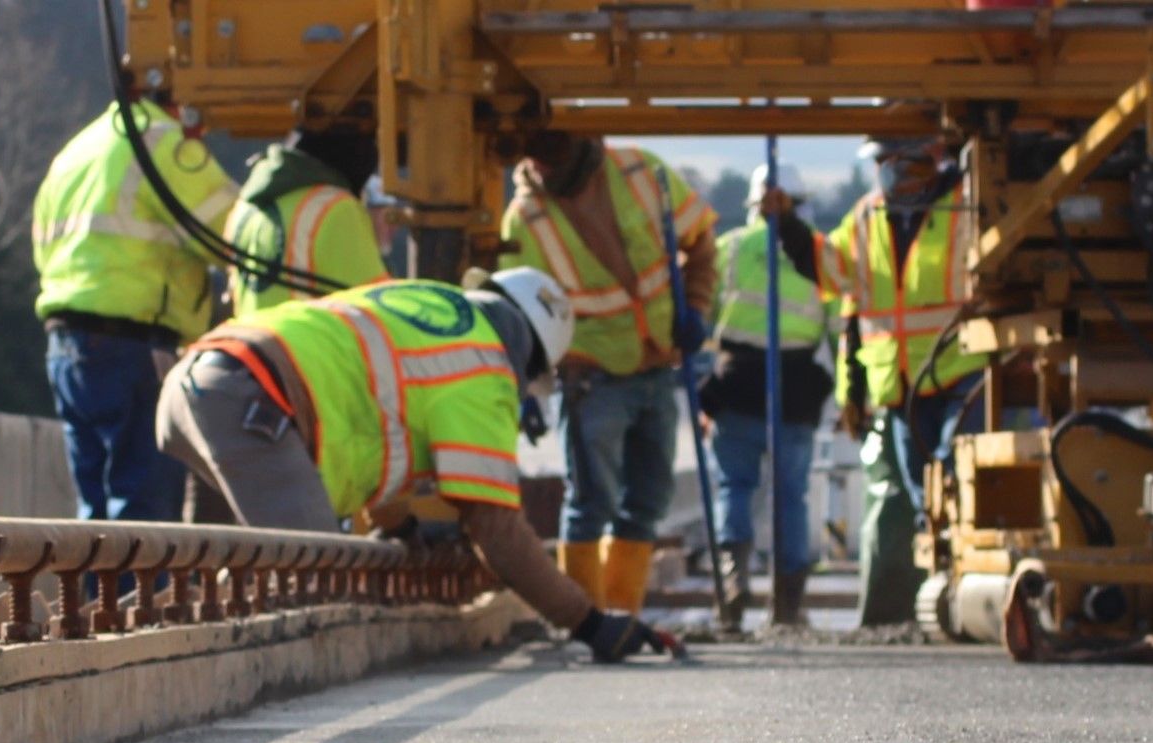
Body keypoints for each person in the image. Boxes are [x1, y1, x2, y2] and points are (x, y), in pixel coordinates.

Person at [155, 269, 681, 663]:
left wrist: (402, 525)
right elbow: (496, 527)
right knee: (312, 599)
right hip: (254, 403)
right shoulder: (484, 364)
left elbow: (372, 419)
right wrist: (589, 624)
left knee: (202, 588)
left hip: (197, 382)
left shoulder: (423, 302)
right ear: (533, 363)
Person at [497, 131, 717, 617]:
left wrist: (696, 310)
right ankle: (583, 619)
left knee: (648, 501)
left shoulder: (640, 172)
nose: (548, 168)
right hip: (589, 376)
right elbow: (518, 319)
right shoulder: (526, 219)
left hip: (657, 365)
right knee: (591, 505)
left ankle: (622, 614)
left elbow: (700, 244)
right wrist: (530, 390)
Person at [31, 95, 238, 523]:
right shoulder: (163, 143)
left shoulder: (77, 150)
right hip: (132, 343)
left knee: (95, 515)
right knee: (144, 516)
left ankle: (96, 592)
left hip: (65, 343)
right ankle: (135, 593)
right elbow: (237, 235)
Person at [828, 132, 985, 629]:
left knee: (957, 475)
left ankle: (961, 590)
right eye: (882, 161)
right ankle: (940, 598)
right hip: (899, 385)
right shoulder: (865, 217)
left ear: (932, 157)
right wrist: (849, 390)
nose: (890, 171)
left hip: (962, 371)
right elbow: (848, 304)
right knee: (924, 496)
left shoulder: (968, 202)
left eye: (899, 160)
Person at [698, 166, 839, 632]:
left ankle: (733, 585)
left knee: (734, 487)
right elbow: (841, 328)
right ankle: (788, 604)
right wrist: (849, 393)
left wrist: (702, 389)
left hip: (736, 383)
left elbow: (703, 313)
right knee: (791, 497)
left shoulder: (732, 248)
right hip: (796, 388)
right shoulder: (821, 253)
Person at [224, 126, 388, 312]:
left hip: (251, 338)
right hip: (306, 341)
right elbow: (378, 309)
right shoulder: (336, 208)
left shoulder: (244, 209)